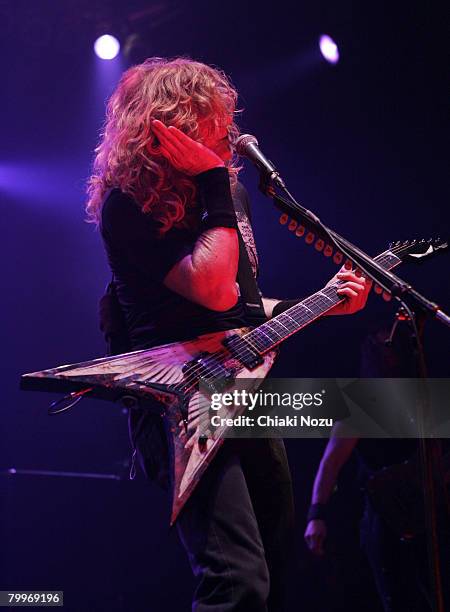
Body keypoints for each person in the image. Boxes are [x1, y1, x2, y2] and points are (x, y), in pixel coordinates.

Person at [86, 57, 371, 611]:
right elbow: (211, 289)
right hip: (179, 406)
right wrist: (214, 182)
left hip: (242, 394)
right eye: (215, 118)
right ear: (175, 124)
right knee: (236, 579)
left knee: (277, 572)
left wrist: (322, 304)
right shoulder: (130, 204)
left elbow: (239, 309)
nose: (231, 131)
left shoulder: (230, 198)